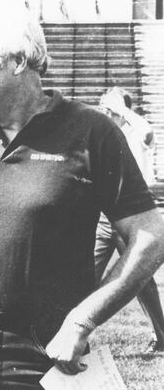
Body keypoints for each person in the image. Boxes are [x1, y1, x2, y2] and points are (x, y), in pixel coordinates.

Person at [0, 3, 164, 389]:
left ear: (18, 61)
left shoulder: (91, 132)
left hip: (50, 348)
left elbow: (150, 236)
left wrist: (83, 321)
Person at [94, 86, 164, 353]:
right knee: (85, 274)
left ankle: (161, 336)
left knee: (141, 280)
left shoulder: (138, 133)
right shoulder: (103, 135)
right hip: (104, 217)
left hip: (134, 216)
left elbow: (146, 130)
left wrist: (119, 107)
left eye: (111, 109)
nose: (107, 112)